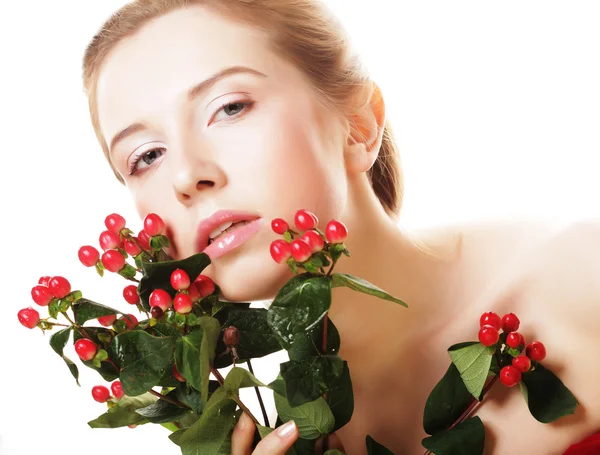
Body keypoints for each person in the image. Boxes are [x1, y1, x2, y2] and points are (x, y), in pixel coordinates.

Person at [82, 0, 600, 453]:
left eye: (230, 107)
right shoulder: (286, 434)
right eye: (146, 155)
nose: (186, 176)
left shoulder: (578, 281)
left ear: (358, 125)